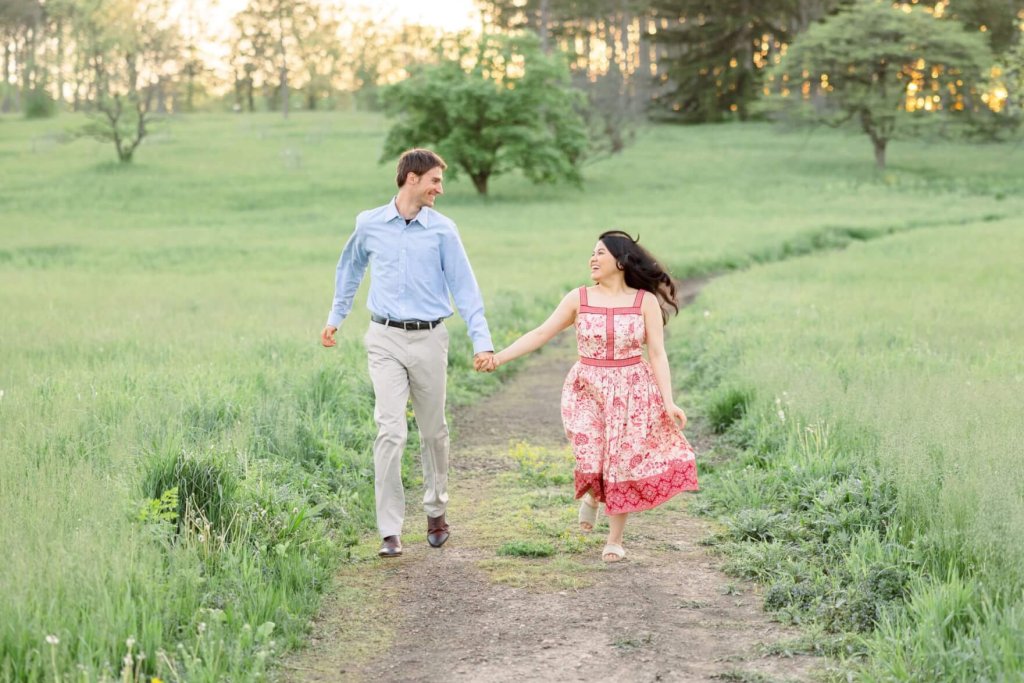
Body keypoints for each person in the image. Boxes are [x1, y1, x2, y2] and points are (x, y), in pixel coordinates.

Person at [480, 230, 698, 562]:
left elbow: (657, 354)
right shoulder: (578, 298)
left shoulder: (645, 302)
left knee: (620, 463)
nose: (592, 259)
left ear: (621, 261)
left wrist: (669, 402)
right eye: (591, 253)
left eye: (600, 253)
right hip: (587, 388)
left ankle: (614, 539)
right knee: (590, 452)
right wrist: (498, 358)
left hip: (632, 392)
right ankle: (593, 496)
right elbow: (541, 333)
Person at [321, 148, 495, 558]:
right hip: (384, 338)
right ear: (412, 178)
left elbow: (465, 287)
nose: (441, 188)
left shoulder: (443, 230)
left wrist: (481, 339)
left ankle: (436, 509)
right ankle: (389, 530)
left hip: (430, 338)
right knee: (390, 430)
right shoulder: (369, 224)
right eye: (435, 180)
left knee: (433, 432)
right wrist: (336, 316)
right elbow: (349, 269)